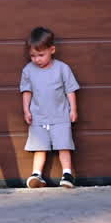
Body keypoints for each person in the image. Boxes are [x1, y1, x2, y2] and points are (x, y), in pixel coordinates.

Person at [20, 25, 79, 188]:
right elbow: (26, 91)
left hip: (60, 116)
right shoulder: (28, 70)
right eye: (32, 56)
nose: (36, 59)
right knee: (40, 147)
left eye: (41, 55)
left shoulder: (62, 68)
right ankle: (36, 175)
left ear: (52, 50)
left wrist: (73, 110)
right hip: (38, 116)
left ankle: (67, 174)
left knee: (64, 145)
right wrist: (26, 110)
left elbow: (70, 90)